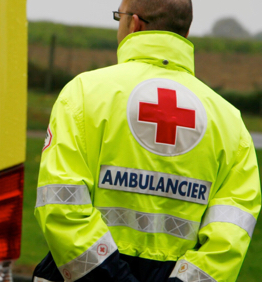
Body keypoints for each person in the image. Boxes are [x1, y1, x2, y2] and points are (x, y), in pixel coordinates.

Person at [32, 0, 261, 281]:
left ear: (134, 24)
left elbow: (61, 204)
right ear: (184, 35)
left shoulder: (83, 94)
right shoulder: (230, 121)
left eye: (119, 16)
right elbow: (230, 234)